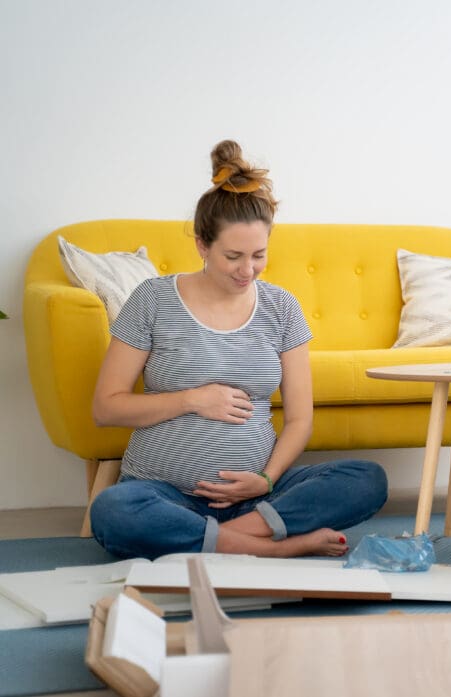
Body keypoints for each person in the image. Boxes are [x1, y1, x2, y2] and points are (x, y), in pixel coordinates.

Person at [89, 140, 388, 560]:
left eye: (258, 255)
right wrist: (192, 400)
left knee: (366, 478)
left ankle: (230, 538)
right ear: (201, 246)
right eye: (233, 256)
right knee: (113, 511)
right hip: (163, 493)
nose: (247, 270)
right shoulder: (153, 299)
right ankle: (275, 548)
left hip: (256, 500)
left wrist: (266, 480)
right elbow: (106, 408)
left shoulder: (281, 307)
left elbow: (300, 419)